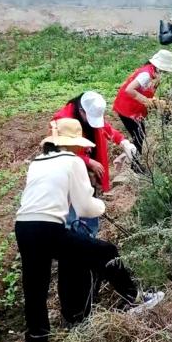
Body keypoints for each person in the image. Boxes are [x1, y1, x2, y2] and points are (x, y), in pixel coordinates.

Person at [15, 118, 164, 342]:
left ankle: (37, 338)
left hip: (24, 226)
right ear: (73, 143)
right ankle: (134, 299)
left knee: (35, 286)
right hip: (49, 227)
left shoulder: (38, 161)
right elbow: (85, 207)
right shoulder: (72, 160)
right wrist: (101, 206)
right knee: (106, 251)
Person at [53, 91, 136, 236]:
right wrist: (88, 161)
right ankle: (71, 237)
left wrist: (123, 142)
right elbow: (60, 150)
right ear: (81, 111)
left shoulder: (89, 112)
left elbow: (106, 128)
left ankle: (89, 236)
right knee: (71, 203)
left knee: (89, 198)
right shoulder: (63, 121)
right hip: (69, 170)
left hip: (86, 166)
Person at [113, 50, 172, 171]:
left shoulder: (154, 73)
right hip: (127, 108)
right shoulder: (146, 74)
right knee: (139, 136)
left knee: (139, 135)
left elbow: (146, 90)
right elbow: (130, 90)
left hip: (134, 108)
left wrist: (154, 102)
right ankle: (135, 166)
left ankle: (134, 161)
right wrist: (147, 101)